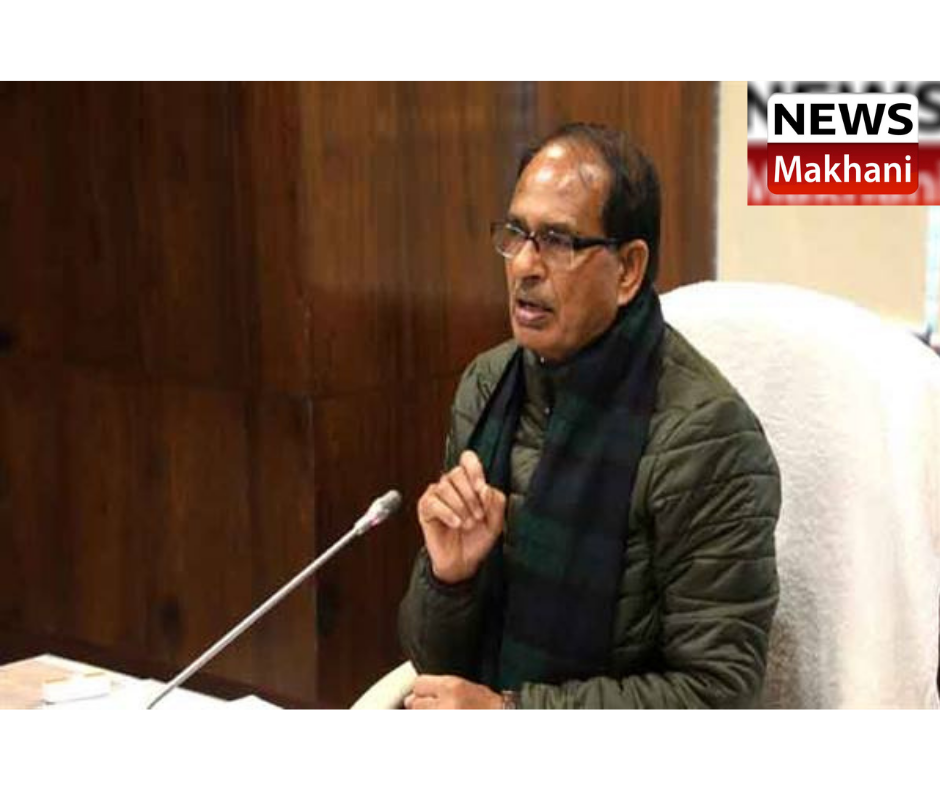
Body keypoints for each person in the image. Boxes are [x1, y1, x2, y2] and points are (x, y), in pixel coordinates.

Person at [398, 122, 781, 709]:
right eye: (516, 233)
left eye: (557, 240)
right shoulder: (487, 386)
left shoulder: (708, 439)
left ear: (628, 270)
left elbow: (717, 694)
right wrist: (450, 581)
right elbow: (433, 662)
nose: (524, 265)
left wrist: (511, 714)